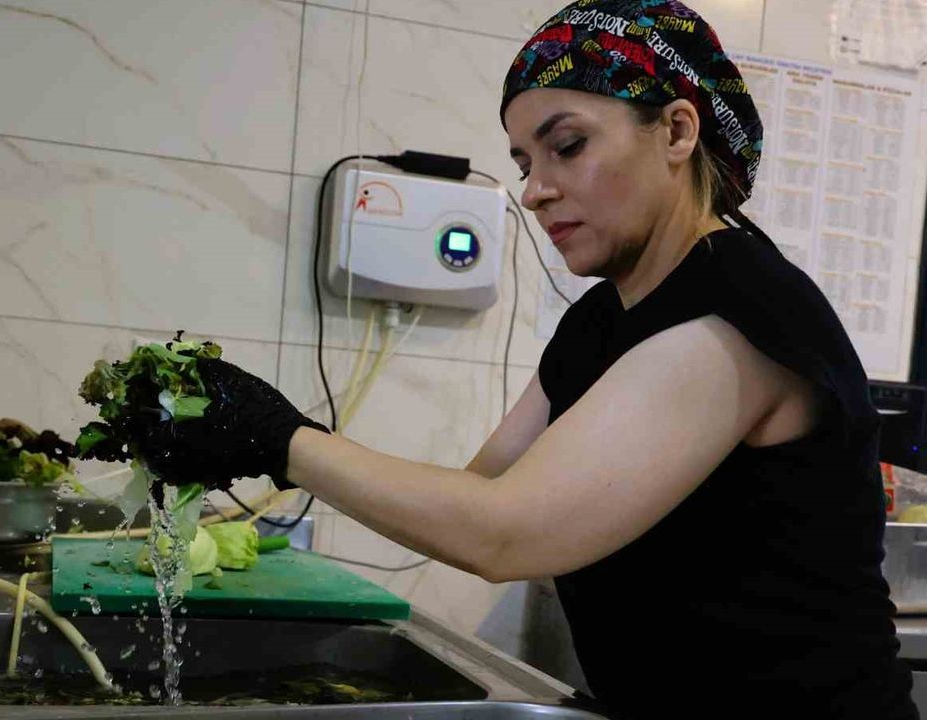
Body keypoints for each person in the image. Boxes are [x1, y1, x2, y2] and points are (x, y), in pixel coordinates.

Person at [134, 1, 917, 717]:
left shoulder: (739, 312)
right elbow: (479, 495)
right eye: (523, 163)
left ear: (678, 132)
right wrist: (258, 447)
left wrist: (277, 437)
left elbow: (504, 534)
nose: (535, 191)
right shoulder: (596, 324)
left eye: (567, 147)